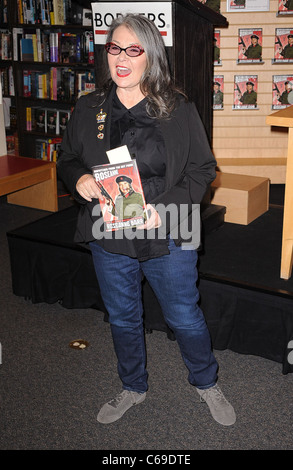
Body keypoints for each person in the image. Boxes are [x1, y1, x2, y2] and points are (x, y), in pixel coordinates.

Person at [57, 13, 236, 427]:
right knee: (122, 317)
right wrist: (79, 178)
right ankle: (133, 387)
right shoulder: (89, 108)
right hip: (109, 230)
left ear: (150, 57)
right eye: (114, 48)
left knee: (184, 316)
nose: (121, 58)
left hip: (169, 227)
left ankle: (206, 382)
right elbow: (66, 158)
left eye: (133, 49)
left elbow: (203, 170)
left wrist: (166, 203)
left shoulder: (178, 108)